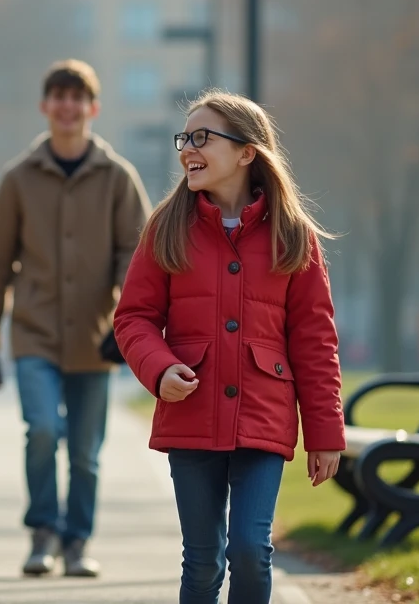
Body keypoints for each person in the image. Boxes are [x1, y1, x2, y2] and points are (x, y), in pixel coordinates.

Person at [113, 90, 346, 603]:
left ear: (247, 152)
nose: (187, 150)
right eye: (185, 138)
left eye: (202, 137)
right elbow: (133, 318)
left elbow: (315, 339)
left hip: (264, 417)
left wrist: (325, 431)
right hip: (191, 417)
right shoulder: (166, 228)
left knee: (248, 549)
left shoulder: (294, 236)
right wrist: (159, 369)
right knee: (201, 560)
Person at [0, 59, 149, 578]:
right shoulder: (18, 179)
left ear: (92, 108)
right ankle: (43, 533)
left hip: (97, 341)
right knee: (44, 430)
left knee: (87, 454)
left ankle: (77, 542)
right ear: (45, 106)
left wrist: (126, 326)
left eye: (78, 97)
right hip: (34, 335)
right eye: (59, 96)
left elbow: (137, 259)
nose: (68, 106)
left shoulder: (118, 179)